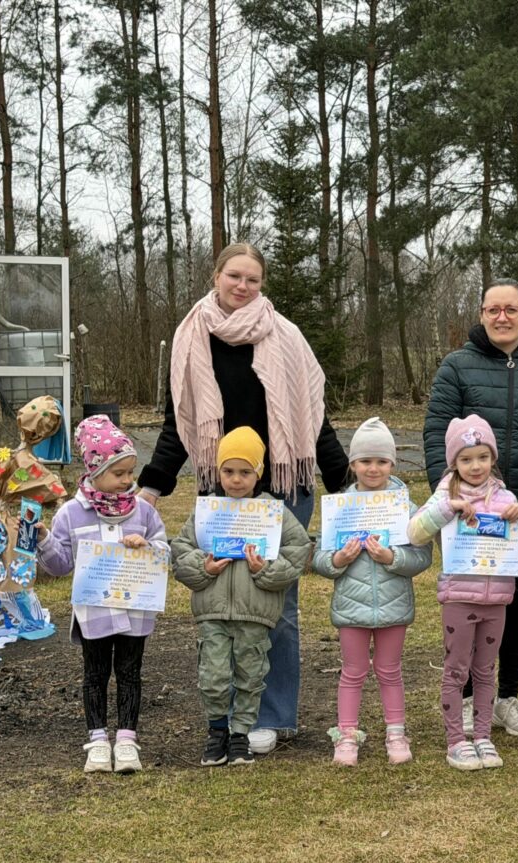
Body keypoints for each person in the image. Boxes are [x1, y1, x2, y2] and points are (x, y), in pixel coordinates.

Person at [139, 242, 348, 754]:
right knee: (224, 606)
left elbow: (313, 418)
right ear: (216, 275)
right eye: (234, 275)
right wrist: (152, 484)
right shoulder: (192, 337)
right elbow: (179, 424)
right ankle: (229, 717)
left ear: (262, 284)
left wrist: (346, 483)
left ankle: (272, 718)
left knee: (277, 605)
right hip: (224, 492)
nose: (243, 286)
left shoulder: (287, 337)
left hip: (282, 490)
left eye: (253, 279)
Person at [423, 277, 518, 738]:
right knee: (468, 603)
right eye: (493, 309)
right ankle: (471, 698)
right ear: (482, 314)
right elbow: (436, 432)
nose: (502, 317)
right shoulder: (456, 366)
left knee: (515, 604)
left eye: (511, 309)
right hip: (468, 515)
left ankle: (506, 695)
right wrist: (448, 497)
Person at [171, 427, 313, 767]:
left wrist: (265, 570)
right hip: (213, 612)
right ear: (218, 472)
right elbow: (181, 551)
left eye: (245, 472)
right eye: (229, 471)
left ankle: (241, 735)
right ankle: (217, 731)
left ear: (258, 474)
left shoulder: (272, 513)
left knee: (251, 675)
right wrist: (204, 567)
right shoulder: (207, 512)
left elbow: (298, 551)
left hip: (255, 614)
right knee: (214, 676)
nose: (236, 479)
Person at [37, 416, 168, 774]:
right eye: (118, 473)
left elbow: (163, 549)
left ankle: (126, 739)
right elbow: (61, 565)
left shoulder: (143, 511)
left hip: (135, 611)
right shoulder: (71, 514)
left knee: (130, 672)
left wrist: (148, 546)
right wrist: (44, 540)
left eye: (131, 472)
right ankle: (97, 740)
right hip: (93, 612)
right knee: (94, 674)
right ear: (94, 471)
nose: (127, 480)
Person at [408, 415, 518, 771]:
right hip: (458, 598)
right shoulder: (443, 496)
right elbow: (415, 532)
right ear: (454, 462)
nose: (475, 466)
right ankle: (455, 741)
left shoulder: (505, 496)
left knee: (485, 671)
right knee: (456, 670)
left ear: (493, 458)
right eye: (466, 459)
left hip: (497, 599)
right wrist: (447, 509)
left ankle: (483, 736)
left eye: (482, 457)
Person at [312, 418, 432, 766]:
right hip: (351, 606)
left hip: (394, 605)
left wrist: (392, 558)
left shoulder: (406, 508)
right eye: (365, 461)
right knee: (352, 671)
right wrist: (338, 559)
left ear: (393, 463)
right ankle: (347, 735)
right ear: (353, 464)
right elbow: (319, 557)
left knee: (389, 669)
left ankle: (396, 732)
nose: (373, 468)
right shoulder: (339, 507)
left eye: (382, 461)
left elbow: (422, 556)